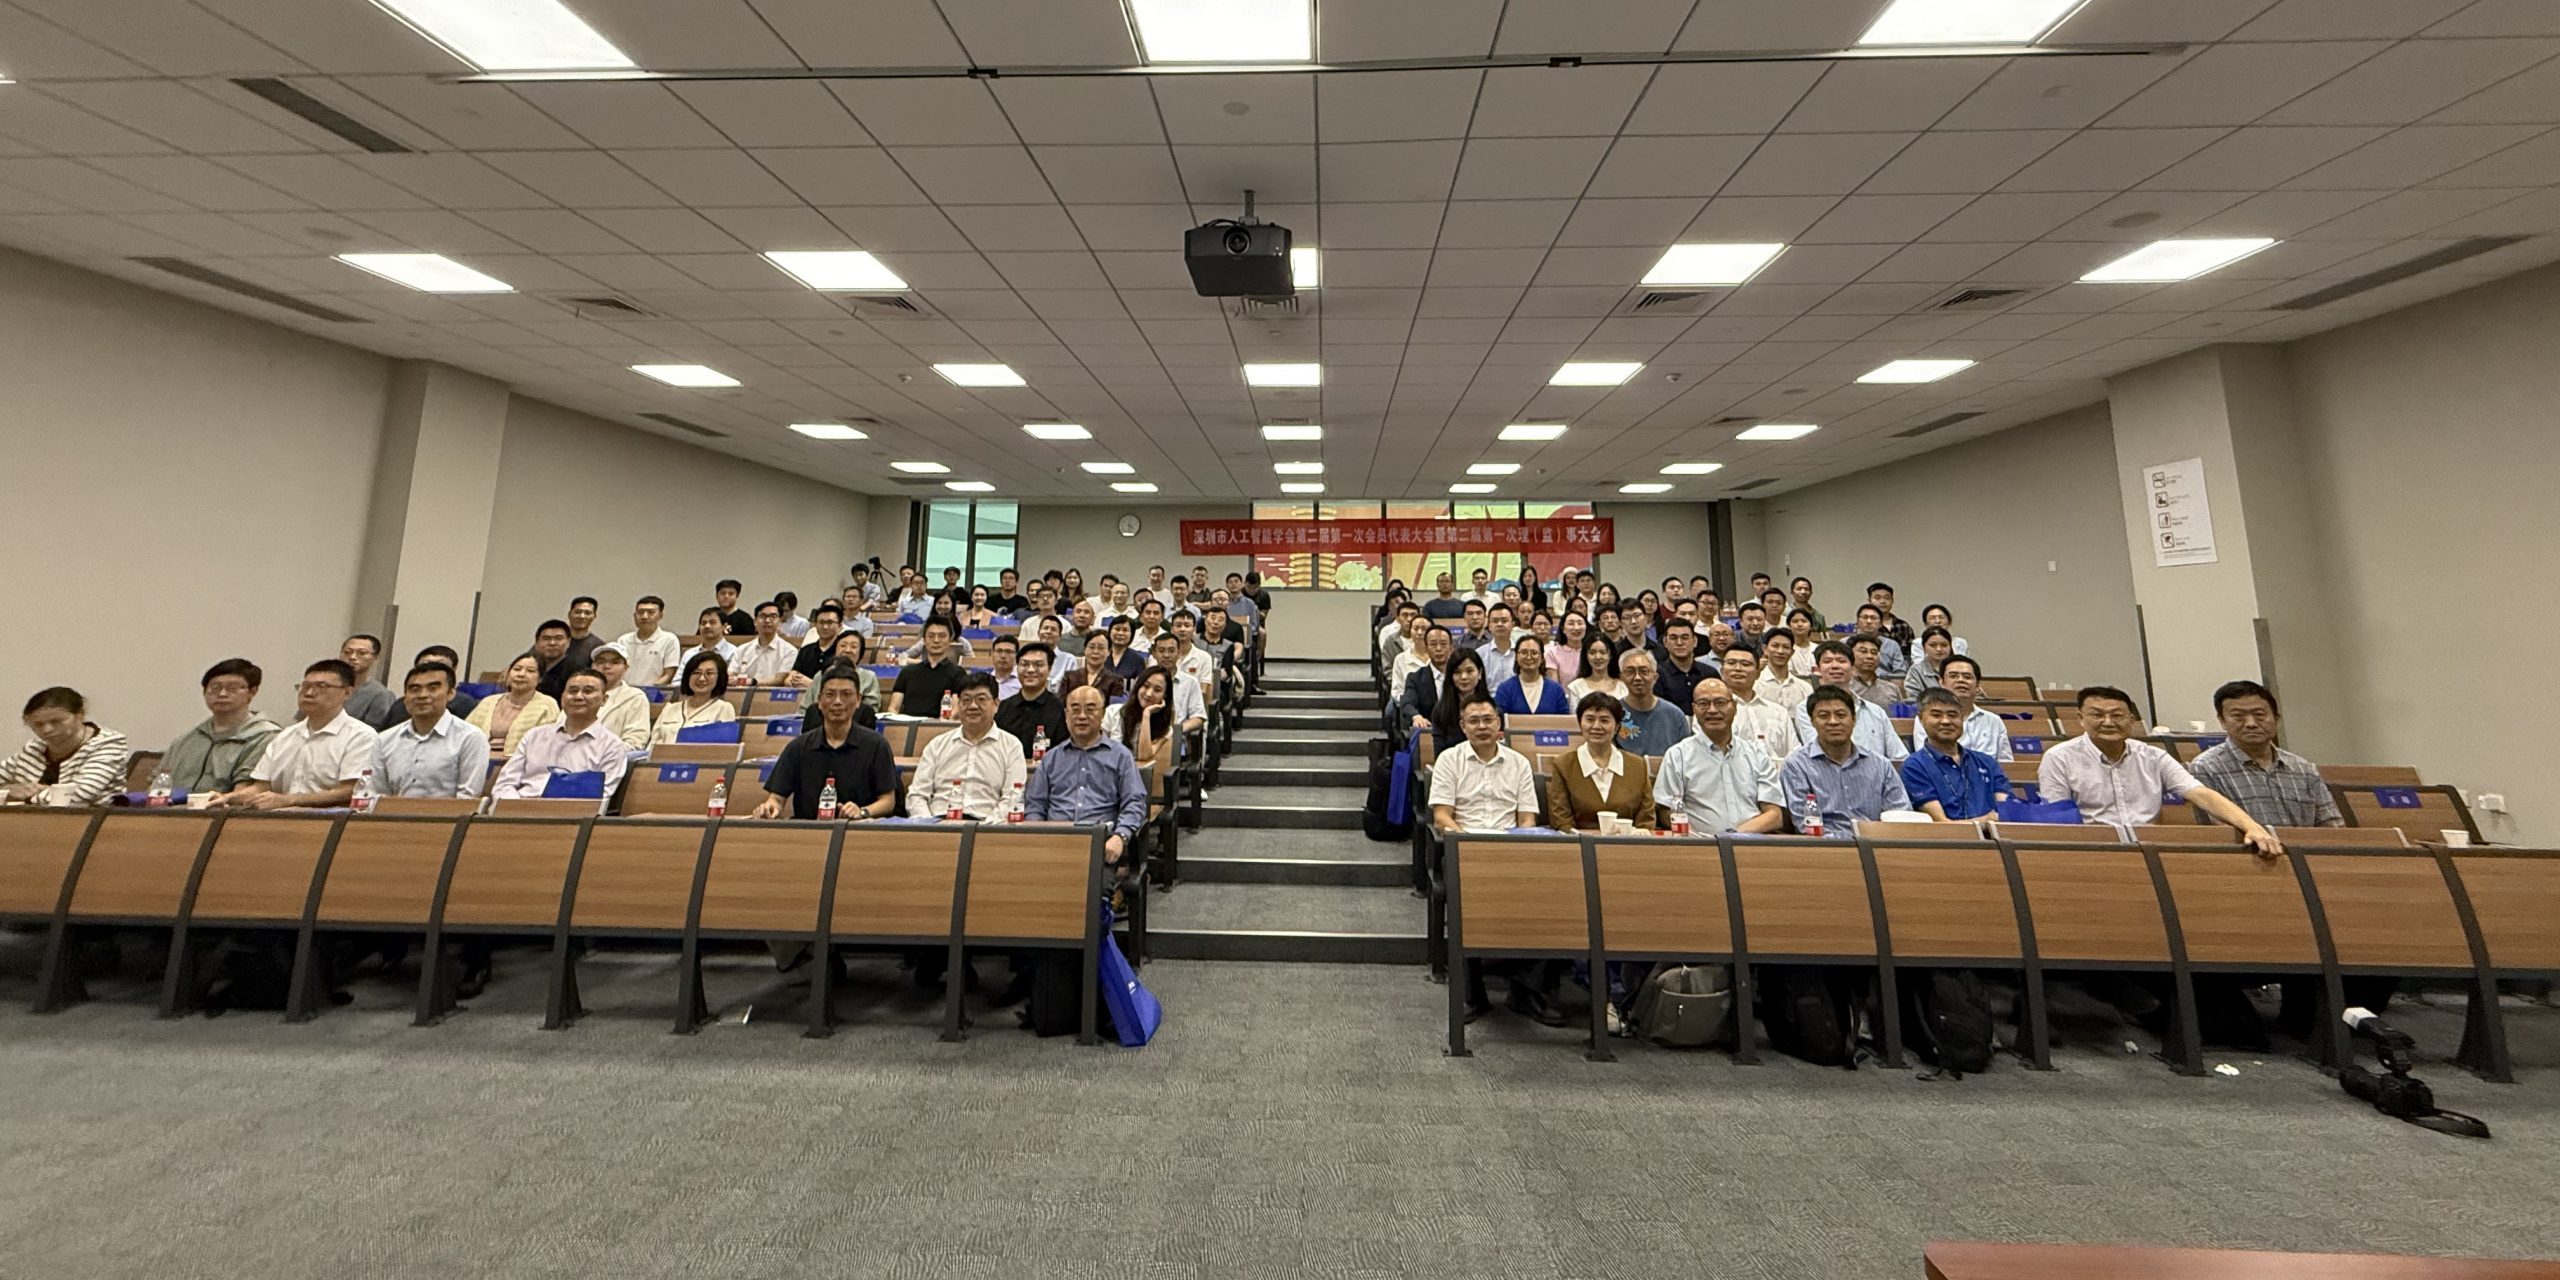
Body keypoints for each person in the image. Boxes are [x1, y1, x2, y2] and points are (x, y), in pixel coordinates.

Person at [1427, 693, 1558, 1026]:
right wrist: (1468, 842)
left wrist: (1515, 847)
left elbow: (1527, 818)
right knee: (1464, 896)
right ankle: (1473, 994)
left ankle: (1526, 991)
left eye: (1488, 720)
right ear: (1462, 726)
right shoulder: (1449, 760)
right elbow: (1442, 815)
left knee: (1552, 897)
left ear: (1499, 725)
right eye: (1474, 721)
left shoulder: (1517, 763)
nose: (1482, 727)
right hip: (1464, 848)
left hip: (1512, 850)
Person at [2037, 687, 2283, 855]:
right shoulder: (2059, 758)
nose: (2108, 722)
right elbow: (2058, 818)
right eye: (2098, 715)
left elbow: (2199, 793)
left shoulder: (2152, 756)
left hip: (2150, 849)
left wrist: (2251, 825)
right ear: (2080, 718)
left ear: (2132, 720)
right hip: (2091, 850)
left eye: (2117, 715)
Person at [214, 661, 378, 810]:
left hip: (329, 822)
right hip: (279, 819)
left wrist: (289, 800)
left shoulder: (361, 736)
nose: (309, 693)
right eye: (304, 686)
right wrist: (226, 797)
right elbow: (261, 787)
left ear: (347, 692)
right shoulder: (286, 735)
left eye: (321, 686)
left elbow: (350, 791)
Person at [2188, 680, 2344, 830]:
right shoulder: (2206, 768)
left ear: (2276, 719)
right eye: (2238, 716)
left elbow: (2332, 825)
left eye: (2259, 714)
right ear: (2222, 721)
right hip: (2246, 854)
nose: (2251, 723)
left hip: (2307, 854)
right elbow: (2218, 831)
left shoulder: (2304, 769)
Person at [1023, 685, 1149, 868]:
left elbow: (1135, 802)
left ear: (1103, 714)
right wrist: (1038, 838)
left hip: (1100, 846)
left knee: (1093, 892)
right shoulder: (1051, 758)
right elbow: (1035, 805)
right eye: (1075, 710)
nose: (1082, 716)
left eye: (1090, 709)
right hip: (1054, 843)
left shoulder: (1121, 756)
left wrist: (1120, 836)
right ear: (1066, 715)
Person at [752, 667, 899, 820]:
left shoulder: (876, 745)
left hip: (857, 831)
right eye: (830, 694)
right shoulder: (798, 747)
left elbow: (888, 801)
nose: (837, 701)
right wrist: (770, 808)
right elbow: (776, 798)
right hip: (807, 833)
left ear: (858, 700)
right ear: (819, 701)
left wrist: (862, 811)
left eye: (846, 694)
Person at [1655, 680, 1786, 834]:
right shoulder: (1678, 755)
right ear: (1694, 709)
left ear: (1735, 707)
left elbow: (1774, 815)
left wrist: (1733, 837)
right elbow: (1666, 812)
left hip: (1752, 844)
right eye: (1703, 703)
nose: (1712, 710)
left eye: (1720, 702)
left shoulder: (1757, 754)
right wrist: (1694, 839)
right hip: (1699, 847)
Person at [1782, 686, 1912, 829]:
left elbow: (1900, 814)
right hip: (1823, 847)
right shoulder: (1796, 766)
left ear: (1854, 719)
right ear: (1812, 721)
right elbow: (1805, 825)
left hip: (1876, 844)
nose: (1833, 722)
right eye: (1823, 716)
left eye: (1840, 715)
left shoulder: (1880, 765)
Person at [906, 672, 1027, 820]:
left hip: (986, 827)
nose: (973, 706)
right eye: (966, 700)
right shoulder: (937, 744)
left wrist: (983, 830)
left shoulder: (1011, 746)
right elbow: (917, 795)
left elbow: (1011, 798)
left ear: (996, 705)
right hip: (938, 824)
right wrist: (929, 826)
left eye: (981, 699)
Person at [160, 659, 280, 796]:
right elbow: (157, 786)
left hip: (227, 813)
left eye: (232, 688)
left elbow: (246, 791)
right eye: (215, 688)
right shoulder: (185, 740)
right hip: (172, 813)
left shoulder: (267, 737)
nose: (222, 694)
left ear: (252, 691)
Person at [371, 662, 490, 799]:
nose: (422, 695)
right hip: (391, 817)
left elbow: (468, 798)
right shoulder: (384, 739)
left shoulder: (470, 737)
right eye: (414, 689)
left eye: (432, 688)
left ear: (450, 694)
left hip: (448, 818)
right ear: (405, 697)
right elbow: (375, 793)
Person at [1547, 691, 1655, 833]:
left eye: (1604, 720)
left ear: (1617, 727)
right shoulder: (1564, 765)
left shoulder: (1637, 765)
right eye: (1590, 719)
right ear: (1580, 724)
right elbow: (1561, 821)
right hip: (1580, 848)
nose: (1596, 726)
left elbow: (1646, 820)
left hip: (1629, 848)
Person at [3, 687, 131, 807]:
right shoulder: (34, 748)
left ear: (80, 715)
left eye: (56, 721)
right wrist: (8, 790)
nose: (47, 730)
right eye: (38, 724)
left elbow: (80, 794)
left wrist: (24, 797)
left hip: (94, 822)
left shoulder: (108, 743)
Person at [1901, 689, 2012, 822]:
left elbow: (2007, 811)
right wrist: (1987, 821)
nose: (1946, 721)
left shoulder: (1986, 762)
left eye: (1953, 715)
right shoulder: (1914, 766)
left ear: (1962, 718)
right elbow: (1942, 824)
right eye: (1936, 715)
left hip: (1996, 839)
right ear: (1921, 719)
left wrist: (1997, 819)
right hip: (1947, 841)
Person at [1791, 640, 1907, 763]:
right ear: (1818, 669)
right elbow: (1821, 752)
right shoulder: (1805, 709)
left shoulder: (1876, 711)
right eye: (1827, 661)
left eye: (1841, 661)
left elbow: (1899, 756)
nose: (1835, 666)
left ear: (1852, 669)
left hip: (1877, 778)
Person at [1914, 654, 2013, 760]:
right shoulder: (1929, 717)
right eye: (1953, 676)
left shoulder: (1994, 721)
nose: (1961, 680)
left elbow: (2006, 763)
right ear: (1941, 682)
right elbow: (1925, 757)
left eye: (1967, 677)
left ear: (1978, 687)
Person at [467, 654, 561, 756]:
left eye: (530, 671)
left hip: (521, 765)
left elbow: (546, 746)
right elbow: (465, 734)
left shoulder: (547, 705)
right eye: (517, 669)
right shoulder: (488, 702)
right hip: (478, 760)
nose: (521, 674)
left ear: (540, 678)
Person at [1719, 645, 1799, 760]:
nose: (1738, 668)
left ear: (1758, 674)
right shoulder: (1712, 711)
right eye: (1731, 663)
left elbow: (1794, 753)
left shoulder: (1778, 712)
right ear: (1722, 671)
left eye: (1745, 664)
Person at [997, 641, 1069, 759]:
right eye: (1024, 664)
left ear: (1049, 669)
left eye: (1038, 665)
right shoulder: (1005, 707)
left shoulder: (1060, 708)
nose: (1030, 670)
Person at [649, 651, 737, 745]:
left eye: (709, 673)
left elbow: (723, 749)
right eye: (696, 672)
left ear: (719, 678)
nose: (702, 678)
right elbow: (652, 746)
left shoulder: (724, 708)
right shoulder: (669, 709)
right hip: (660, 758)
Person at [1614, 651, 1690, 757]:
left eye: (1643, 671)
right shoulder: (1613, 712)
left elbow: (1686, 757)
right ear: (1621, 678)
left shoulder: (1675, 715)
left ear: (1655, 677)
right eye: (1630, 672)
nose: (1637, 678)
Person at [888, 617, 970, 716]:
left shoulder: (958, 673)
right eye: (931, 636)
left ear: (950, 639)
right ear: (924, 639)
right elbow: (893, 708)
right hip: (907, 727)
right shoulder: (907, 672)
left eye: (942, 636)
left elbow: (955, 711)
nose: (936, 640)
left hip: (940, 726)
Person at [588, 644, 653, 750]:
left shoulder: (635, 697)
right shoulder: (578, 694)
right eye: (601, 662)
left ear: (626, 668)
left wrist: (596, 751)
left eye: (615, 662)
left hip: (611, 760)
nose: (606, 666)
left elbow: (635, 743)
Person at [1398, 626, 1457, 737]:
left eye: (1443, 644)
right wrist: (1416, 716)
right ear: (1425, 648)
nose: (1438, 649)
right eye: (1433, 644)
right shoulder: (1415, 678)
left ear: (1452, 648)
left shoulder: (1459, 675)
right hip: (1430, 731)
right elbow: (1407, 703)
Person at [1426, 649, 1490, 749]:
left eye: (1469, 671)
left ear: (1480, 673)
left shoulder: (1492, 709)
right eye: (1457, 672)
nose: (1464, 677)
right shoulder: (1441, 711)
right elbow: (1439, 754)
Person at [613, 595, 682, 687]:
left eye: (651, 612)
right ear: (634, 615)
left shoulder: (669, 640)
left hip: (654, 692)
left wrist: (649, 690)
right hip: (624, 691)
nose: (645, 616)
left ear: (660, 615)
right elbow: (616, 670)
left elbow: (668, 674)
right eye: (640, 612)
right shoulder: (623, 640)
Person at [339, 633, 403, 730]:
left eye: (362, 653)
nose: (352, 657)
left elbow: (374, 732)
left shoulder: (380, 694)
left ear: (375, 657)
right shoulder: (327, 686)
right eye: (347, 652)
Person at [1109, 667, 1172, 764]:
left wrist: (1146, 715)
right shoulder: (1113, 712)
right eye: (1146, 686)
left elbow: (1144, 756)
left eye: (1157, 690)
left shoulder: (1165, 729)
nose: (1149, 693)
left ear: (1164, 696)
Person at [1493, 633, 1568, 715]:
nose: (1529, 657)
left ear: (1542, 657)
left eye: (1534, 653)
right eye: (1524, 652)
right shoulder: (1505, 689)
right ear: (1516, 657)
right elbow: (1499, 720)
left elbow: (1564, 721)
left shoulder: (1556, 690)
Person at [727, 600, 798, 686]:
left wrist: (751, 682)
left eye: (773, 616)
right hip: (741, 695)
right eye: (763, 616)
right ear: (755, 621)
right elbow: (730, 675)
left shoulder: (789, 651)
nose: (768, 620)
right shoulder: (742, 650)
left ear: (780, 621)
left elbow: (779, 680)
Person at [1652, 617, 1712, 713]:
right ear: (1665, 642)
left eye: (1685, 637)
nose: (1679, 643)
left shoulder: (1709, 673)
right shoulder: (1656, 675)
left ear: (1695, 641)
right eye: (1673, 638)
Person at [789, 602, 849, 686]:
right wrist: (791, 680)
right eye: (821, 622)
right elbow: (793, 674)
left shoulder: (844, 652)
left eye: (830, 622)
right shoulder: (806, 650)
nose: (825, 627)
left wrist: (811, 684)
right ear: (815, 624)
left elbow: (843, 684)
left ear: (840, 626)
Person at [411, 646, 478, 720]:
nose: (432, 670)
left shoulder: (466, 704)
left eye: (440, 666)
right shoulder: (402, 704)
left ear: (453, 670)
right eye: (426, 665)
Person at [1850, 603, 1908, 678]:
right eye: (1865, 617)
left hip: (1886, 683)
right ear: (1857, 621)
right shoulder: (1845, 642)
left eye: (1873, 618)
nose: (1869, 621)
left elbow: (1900, 673)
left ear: (1881, 623)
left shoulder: (1892, 645)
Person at [1756, 630, 1809, 709]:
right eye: (1775, 646)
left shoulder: (1805, 688)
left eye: (1786, 647)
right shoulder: (1754, 685)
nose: (1780, 651)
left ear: (1792, 652)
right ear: (1765, 649)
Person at [525, 619, 575, 700]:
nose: (552, 643)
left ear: (568, 642)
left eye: (558, 638)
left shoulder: (576, 671)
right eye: (546, 638)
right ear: (537, 643)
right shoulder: (529, 667)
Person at [1566, 634, 1624, 704]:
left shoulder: (1623, 686)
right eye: (1592, 653)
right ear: (1586, 656)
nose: (1598, 657)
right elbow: (1574, 714)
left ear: (1610, 655)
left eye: (1603, 652)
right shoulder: (1576, 687)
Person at [1845, 633, 1897, 709]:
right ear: (1850, 655)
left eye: (1874, 652)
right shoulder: (1844, 687)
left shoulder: (1892, 689)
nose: (1870, 656)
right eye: (1863, 651)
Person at [1904, 626, 1957, 699]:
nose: (1939, 649)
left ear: (1950, 647)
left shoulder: (1961, 668)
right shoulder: (1916, 671)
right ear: (1923, 647)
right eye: (1933, 645)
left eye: (1944, 645)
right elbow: (1913, 698)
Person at [679, 607, 738, 674]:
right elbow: (677, 681)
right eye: (703, 623)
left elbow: (733, 680)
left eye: (712, 622)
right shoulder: (689, 654)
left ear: (724, 626)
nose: (707, 626)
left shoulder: (733, 653)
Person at [1867, 582, 1918, 657]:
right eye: (1877, 598)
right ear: (1869, 601)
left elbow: (1911, 654)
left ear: (1892, 601)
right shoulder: (1866, 626)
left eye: (1887, 598)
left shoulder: (1903, 626)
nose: (1882, 601)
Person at [1476, 605, 1517, 688]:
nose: (1499, 624)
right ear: (1489, 626)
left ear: (1512, 624)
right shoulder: (1479, 654)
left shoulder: (1521, 652)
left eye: (1504, 621)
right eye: (1495, 621)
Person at [562, 596, 604, 667]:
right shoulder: (554, 640)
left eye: (587, 613)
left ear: (594, 616)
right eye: (577, 612)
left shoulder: (598, 647)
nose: (582, 616)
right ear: (569, 614)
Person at [989, 634, 1022, 701]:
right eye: (999, 651)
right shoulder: (986, 681)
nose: (1003, 656)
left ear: (1017, 655)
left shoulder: (1023, 681)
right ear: (992, 654)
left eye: (1008, 652)